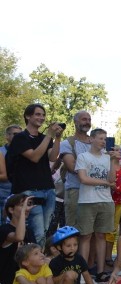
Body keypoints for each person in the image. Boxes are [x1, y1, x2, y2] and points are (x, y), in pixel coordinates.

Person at [5, 104, 63, 245]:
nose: (41, 118)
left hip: (48, 189)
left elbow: (53, 157)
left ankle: (38, 260)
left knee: (43, 232)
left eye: (43, 115)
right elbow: (34, 156)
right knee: (36, 232)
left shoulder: (44, 138)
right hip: (29, 190)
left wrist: (57, 138)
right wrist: (48, 135)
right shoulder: (20, 138)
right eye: (37, 114)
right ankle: (33, 262)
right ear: (27, 116)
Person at [76, 128, 118, 283]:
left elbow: (112, 179)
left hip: (106, 200)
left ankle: (100, 271)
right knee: (85, 236)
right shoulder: (83, 156)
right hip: (87, 201)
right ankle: (83, 272)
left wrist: (114, 161)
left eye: (105, 139)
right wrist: (105, 182)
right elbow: (83, 178)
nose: (103, 141)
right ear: (91, 139)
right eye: (100, 138)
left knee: (101, 235)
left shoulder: (107, 158)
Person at [57, 110, 92, 230]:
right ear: (75, 122)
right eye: (84, 119)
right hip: (75, 190)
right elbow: (72, 167)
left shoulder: (97, 142)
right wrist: (95, 168)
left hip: (95, 192)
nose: (87, 122)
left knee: (92, 230)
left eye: (89, 120)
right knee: (73, 228)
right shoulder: (67, 143)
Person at [1, 194, 34, 284]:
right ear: (11, 210)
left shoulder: (30, 231)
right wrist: (23, 213)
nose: (27, 208)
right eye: (22, 205)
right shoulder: (4, 229)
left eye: (28, 205)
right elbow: (19, 237)